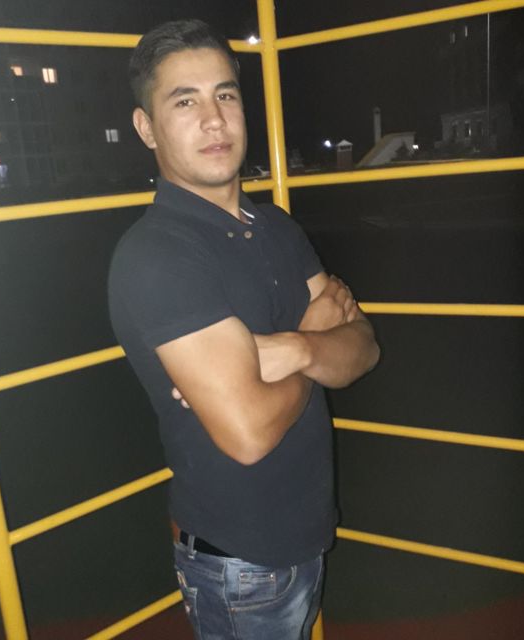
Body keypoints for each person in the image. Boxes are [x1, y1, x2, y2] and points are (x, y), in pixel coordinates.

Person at [108, 19, 380, 640]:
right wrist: (316, 336)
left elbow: (364, 348)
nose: (214, 119)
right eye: (185, 101)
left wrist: (292, 348)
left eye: (225, 94)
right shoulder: (158, 255)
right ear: (146, 128)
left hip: (305, 537)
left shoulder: (277, 226)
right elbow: (249, 433)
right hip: (239, 565)